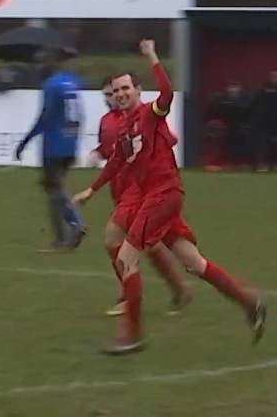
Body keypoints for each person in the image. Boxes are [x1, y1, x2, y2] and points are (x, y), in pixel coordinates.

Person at [77, 40, 266, 356]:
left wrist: (152, 56)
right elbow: (117, 162)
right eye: (116, 90)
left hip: (162, 196)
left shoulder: (150, 114)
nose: (122, 93)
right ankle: (250, 302)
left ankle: (131, 335)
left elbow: (166, 92)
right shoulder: (123, 126)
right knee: (194, 263)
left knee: (126, 258)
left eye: (127, 88)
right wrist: (92, 190)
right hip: (154, 198)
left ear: (138, 91)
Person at [78, 76, 190, 318]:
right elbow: (113, 154)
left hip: (138, 189)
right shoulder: (107, 122)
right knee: (151, 245)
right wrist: (97, 154)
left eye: (117, 92)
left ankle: (129, 299)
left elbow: (166, 138)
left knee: (113, 240)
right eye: (108, 94)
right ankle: (179, 288)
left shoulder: (141, 116)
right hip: (120, 188)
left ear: (134, 91)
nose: (113, 98)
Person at [14, 47, 87, 252]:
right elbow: (80, 114)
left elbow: (44, 118)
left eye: (43, 61)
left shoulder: (51, 86)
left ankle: (74, 225)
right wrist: (74, 140)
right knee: (53, 188)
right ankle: (63, 237)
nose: (41, 66)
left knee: (55, 189)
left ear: (51, 62)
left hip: (53, 146)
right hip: (70, 142)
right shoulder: (72, 81)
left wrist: (24, 142)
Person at [206, 81, 253, 170]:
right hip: (225, 126)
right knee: (224, 138)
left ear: (239, 89)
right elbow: (215, 114)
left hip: (241, 126)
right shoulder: (222, 100)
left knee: (243, 137)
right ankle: (224, 163)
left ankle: (242, 163)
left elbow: (249, 114)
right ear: (228, 89)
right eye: (231, 88)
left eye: (236, 88)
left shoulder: (245, 100)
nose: (233, 90)